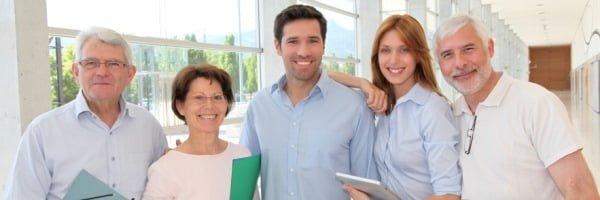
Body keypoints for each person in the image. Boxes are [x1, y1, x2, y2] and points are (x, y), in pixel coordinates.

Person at [434, 14, 600, 199]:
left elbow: (579, 188)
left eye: (468, 49)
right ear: (439, 63)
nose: (460, 63)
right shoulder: (449, 117)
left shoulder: (536, 103)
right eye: (447, 55)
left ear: (490, 48)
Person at [4, 27, 168, 200]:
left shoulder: (148, 126)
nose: (102, 72)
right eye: (91, 63)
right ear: (76, 71)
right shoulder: (42, 132)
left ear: (130, 74)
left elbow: (164, 186)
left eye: (113, 64)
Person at [239, 4, 378, 200]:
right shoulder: (259, 106)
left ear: (323, 45)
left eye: (313, 41)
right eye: (293, 41)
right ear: (278, 46)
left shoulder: (355, 107)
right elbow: (244, 180)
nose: (303, 52)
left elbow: (367, 186)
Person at [328, 15, 461, 200]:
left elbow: (449, 195)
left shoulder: (432, 109)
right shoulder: (382, 102)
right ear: (377, 56)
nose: (393, 60)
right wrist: (361, 83)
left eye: (404, 50)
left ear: (418, 55)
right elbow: (322, 76)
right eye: (385, 50)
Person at [143, 64, 253, 199]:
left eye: (217, 97)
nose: (209, 105)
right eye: (199, 97)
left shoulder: (242, 156)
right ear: (180, 106)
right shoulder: (165, 169)